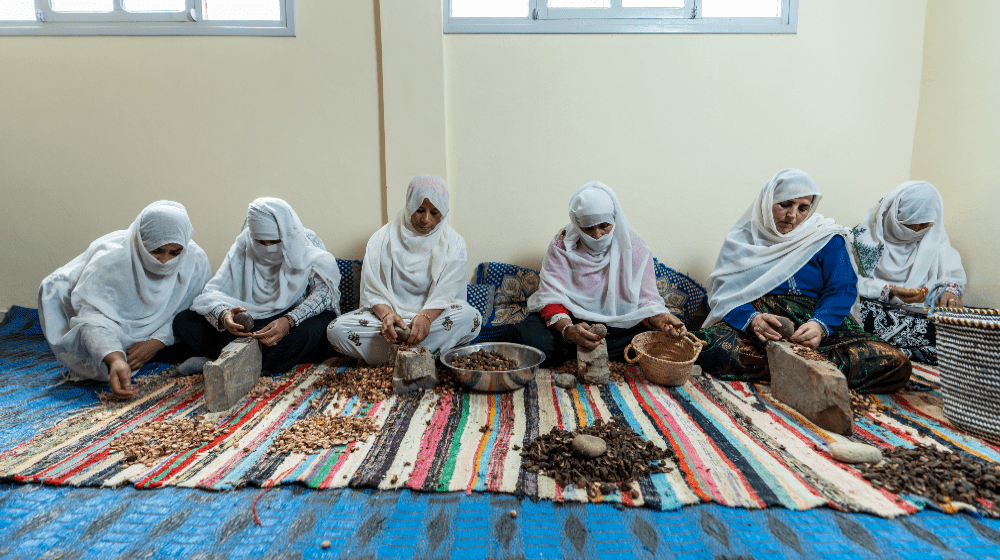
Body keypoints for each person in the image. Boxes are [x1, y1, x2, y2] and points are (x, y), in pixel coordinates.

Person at [695, 169, 911, 394]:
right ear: (767, 202)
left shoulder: (825, 237)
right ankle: (816, 371)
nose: (792, 215)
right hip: (762, 327)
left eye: (803, 208)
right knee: (710, 347)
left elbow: (842, 288)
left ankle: (795, 368)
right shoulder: (742, 241)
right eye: (785, 204)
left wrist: (820, 325)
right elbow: (722, 292)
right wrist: (752, 320)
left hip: (816, 322)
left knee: (895, 362)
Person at [38, 201, 212, 398]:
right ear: (140, 241)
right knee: (98, 347)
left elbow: (193, 307)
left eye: (175, 253)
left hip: (167, 332)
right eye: (155, 251)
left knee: (199, 323)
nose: (164, 261)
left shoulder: (194, 259)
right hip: (117, 330)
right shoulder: (111, 260)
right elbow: (92, 320)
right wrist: (115, 358)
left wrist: (156, 342)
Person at [503, 181, 686, 368]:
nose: (597, 235)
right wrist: (568, 330)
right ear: (577, 224)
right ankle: (593, 351)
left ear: (615, 220)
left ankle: (583, 353)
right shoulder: (563, 244)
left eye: (604, 226)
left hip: (619, 326)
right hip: (572, 323)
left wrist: (661, 319)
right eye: (588, 228)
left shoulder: (634, 248)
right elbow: (550, 296)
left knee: (663, 340)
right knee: (529, 338)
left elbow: (645, 303)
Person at [173, 198, 340, 376]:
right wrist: (224, 316)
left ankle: (224, 364)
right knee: (185, 321)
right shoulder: (244, 245)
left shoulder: (306, 244)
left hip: (292, 323)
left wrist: (289, 321)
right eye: (261, 242)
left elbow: (323, 295)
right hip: (254, 324)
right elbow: (212, 293)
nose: (268, 248)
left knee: (316, 330)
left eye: (274, 241)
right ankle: (244, 362)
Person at [327, 175, 481, 364]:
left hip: (433, 323)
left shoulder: (454, 242)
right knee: (336, 330)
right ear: (409, 205)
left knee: (471, 319)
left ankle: (394, 356)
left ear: (444, 211)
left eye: (434, 212)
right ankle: (422, 354)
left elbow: (448, 292)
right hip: (390, 324)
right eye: (420, 210)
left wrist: (425, 318)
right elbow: (373, 290)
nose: (426, 219)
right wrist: (387, 316)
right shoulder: (381, 239)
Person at [851, 181, 966, 364]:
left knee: (972, 322)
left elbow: (950, 268)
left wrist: (950, 292)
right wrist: (890, 290)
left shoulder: (932, 235)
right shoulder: (862, 239)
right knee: (853, 312)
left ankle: (898, 350)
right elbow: (848, 283)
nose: (918, 232)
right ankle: (918, 350)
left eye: (924, 225)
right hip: (877, 309)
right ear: (894, 216)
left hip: (921, 313)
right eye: (912, 224)